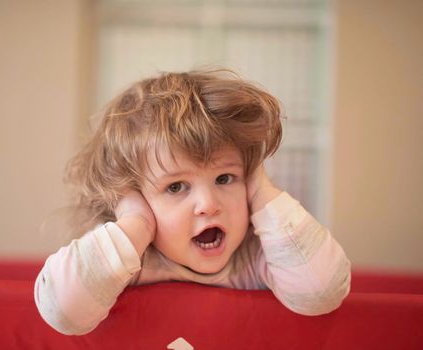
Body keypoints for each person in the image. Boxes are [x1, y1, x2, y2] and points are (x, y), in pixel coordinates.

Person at [34, 69, 351, 336]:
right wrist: (136, 223)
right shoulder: (130, 261)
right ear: (132, 197)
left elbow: (321, 293)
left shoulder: (257, 256)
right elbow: (64, 309)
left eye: (225, 178)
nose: (208, 204)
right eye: (176, 187)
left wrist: (261, 191)